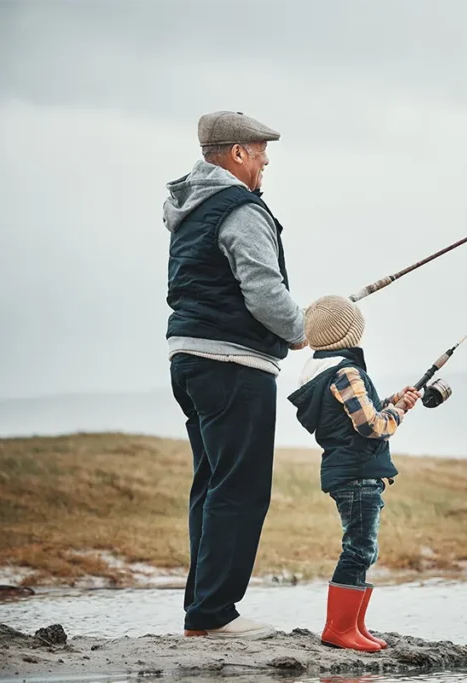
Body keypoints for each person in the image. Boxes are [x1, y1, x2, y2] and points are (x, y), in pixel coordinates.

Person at [163, 111, 306, 639]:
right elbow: (264, 291)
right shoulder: (242, 209)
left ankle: (202, 612)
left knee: (212, 486)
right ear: (238, 154)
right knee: (241, 490)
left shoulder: (190, 208)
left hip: (190, 360)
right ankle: (213, 615)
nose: (267, 159)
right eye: (260, 149)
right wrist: (298, 329)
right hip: (232, 363)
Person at [287, 295, 420, 652]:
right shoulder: (346, 371)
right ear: (349, 333)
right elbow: (371, 426)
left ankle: (354, 625)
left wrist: (394, 399)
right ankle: (339, 629)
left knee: (363, 549)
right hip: (357, 473)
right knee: (359, 549)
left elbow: (347, 415)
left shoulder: (322, 371)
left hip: (348, 470)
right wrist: (399, 413)